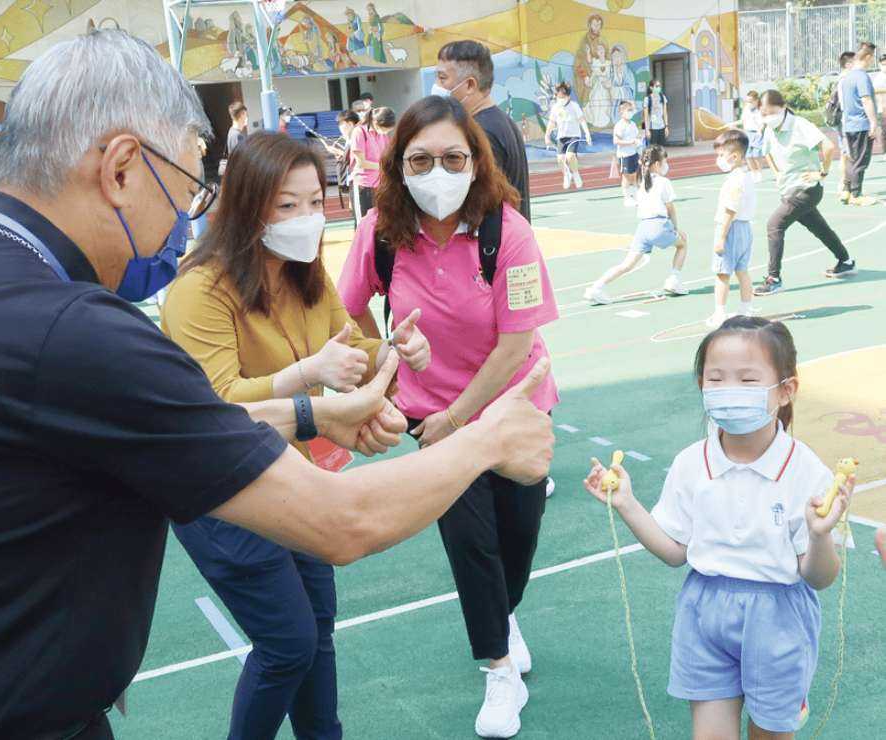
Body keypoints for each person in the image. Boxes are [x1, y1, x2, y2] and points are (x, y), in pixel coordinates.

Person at [0, 30, 555, 740]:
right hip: (7, 722)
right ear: (120, 168)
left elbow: (180, 430)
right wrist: (487, 436)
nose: (186, 214)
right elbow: (343, 522)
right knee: (292, 640)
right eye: (185, 181)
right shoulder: (72, 330)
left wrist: (307, 416)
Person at [162, 132, 430, 740]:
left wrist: (396, 350)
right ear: (246, 205)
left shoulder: (307, 272)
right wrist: (308, 376)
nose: (306, 219)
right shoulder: (199, 290)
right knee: (287, 641)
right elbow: (214, 407)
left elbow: (348, 346)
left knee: (319, 626)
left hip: (297, 475)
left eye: (314, 202)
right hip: (224, 493)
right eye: (287, 206)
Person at [338, 96, 559, 739]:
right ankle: (498, 671)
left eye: (453, 157)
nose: (439, 171)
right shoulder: (381, 231)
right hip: (430, 418)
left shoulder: (507, 232)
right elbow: (347, 311)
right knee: (471, 543)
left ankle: (504, 614)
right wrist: (386, 354)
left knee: (516, 541)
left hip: (513, 410)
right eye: (421, 159)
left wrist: (462, 418)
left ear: (475, 160)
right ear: (397, 165)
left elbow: (516, 344)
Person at [584, 316, 852, 739]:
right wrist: (628, 505)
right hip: (703, 612)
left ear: (786, 390)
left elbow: (820, 577)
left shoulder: (806, 471)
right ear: (701, 385)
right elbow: (675, 550)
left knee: (770, 733)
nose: (730, 391)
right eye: (716, 379)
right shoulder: (692, 463)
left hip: (778, 617)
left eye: (748, 379)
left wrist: (819, 537)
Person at [754, 89, 855, 297]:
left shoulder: (799, 125)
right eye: (763, 113)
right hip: (788, 188)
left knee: (774, 225)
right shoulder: (768, 128)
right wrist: (777, 174)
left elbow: (828, 146)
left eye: (771, 112)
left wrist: (822, 173)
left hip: (806, 189)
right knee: (819, 228)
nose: (767, 117)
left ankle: (774, 279)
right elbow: (768, 153)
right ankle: (845, 261)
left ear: (782, 108)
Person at [435, 39, 532, 222]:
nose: (437, 86)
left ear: (470, 85)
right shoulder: (501, 121)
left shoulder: (481, 132)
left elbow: (481, 201)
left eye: (442, 78)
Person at [584, 145, 688, 305]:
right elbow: (670, 209)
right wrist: (676, 227)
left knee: (626, 264)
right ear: (658, 164)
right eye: (665, 161)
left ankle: (596, 287)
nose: (667, 165)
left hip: (643, 228)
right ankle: (673, 280)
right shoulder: (663, 182)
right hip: (658, 225)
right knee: (682, 245)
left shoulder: (641, 183)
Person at [707, 130, 758, 329]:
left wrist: (721, 236)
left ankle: (720, 313)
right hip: (745, 228)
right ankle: (746, 309)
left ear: (735, 156)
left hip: (731, 229)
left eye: (721, 155)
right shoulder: (746, 177)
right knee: (742, 271)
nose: (718, 159)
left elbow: (730, 209)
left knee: (722, 274)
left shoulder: (735, 180)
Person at [838, 42, 879, 206]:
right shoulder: (862, 76)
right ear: (868, 57)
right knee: (861, 161)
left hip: (848, 125)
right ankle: (856, 194)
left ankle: (846, 190)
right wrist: (873, 123)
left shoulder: (847, 77)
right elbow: (866, 99)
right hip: (861, 124)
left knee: (852, 159)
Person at [349, 105, 394, 221]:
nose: (386, 132)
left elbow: (387, 156)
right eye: (385, 129)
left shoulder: (383, 135)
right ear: (375, 122)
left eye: (388, 130)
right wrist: (383, 166)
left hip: (380, 185)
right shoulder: (359, 132)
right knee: (363, 223)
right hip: (363, 185)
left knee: (380, 222)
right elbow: (361, 163)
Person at [544, 82, 591, 190]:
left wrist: (587, 133)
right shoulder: (555, 107)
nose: (559, 98)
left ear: (568, 96)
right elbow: (551, 122)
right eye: (558, 96)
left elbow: (581, 120)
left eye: (562, 97)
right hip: (561, 137)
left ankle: (575, 174)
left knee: (570, 157)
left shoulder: (574, 106)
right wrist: (547, 136)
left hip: (574, 136)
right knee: (560, 159)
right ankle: (566, 175)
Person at [831, 52, 856, 200]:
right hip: (845, 121)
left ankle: (845, 184)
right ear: (848, 64)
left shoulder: (843, 78)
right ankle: (844, 185)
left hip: (843, 121)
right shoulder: (846, 79)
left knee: (845, 153)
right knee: (847, 154)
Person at [612, 100, 641, 206]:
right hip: (624, 155)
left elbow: (637, 136)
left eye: (631, 110)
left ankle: (635, 196)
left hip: (634, 153)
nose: (630, 112)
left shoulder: (632, 124)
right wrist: (630, 142)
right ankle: (627, 198)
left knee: (635, 175)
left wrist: (638, 141)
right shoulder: (619, 125)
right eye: (628, 110)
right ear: (621, 112)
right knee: (626, 177)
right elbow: (616, 141)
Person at [740, 91, 766, 183]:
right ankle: (753, 172)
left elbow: (763, 123)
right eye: (747, 101)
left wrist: (760, 131)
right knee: (748, 155)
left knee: (756, 154)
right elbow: (743, 120)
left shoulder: (760, 110)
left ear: (756, 101)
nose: (748, 103)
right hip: (748, 133)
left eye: (750, 101)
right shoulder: (746, 109)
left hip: (757, 133)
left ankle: (759, 173)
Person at [643, 79, 669, 147]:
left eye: (659, 86)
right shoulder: (647, 99)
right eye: (656, 86)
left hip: (661, 127)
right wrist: (647, 130)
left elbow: (665, 113)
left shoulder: (662, 97)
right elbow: (646, 117)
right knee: (653, 149)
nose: (658, 88)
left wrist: (666, 126)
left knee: (661, 149)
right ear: (651, 88)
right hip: (652, 128)